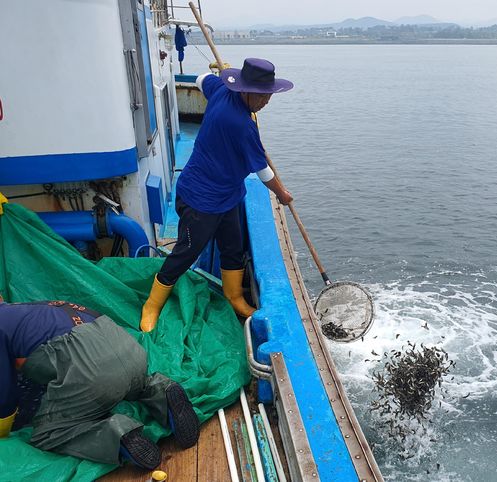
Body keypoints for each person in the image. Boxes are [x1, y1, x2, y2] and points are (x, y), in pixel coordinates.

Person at [141, 58, 294, 332]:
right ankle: (152, 304)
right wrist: (283, 194)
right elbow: (262, 172)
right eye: (263, 97)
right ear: (246, 91)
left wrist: (223, 73)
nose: (267, 102)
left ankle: (234, 296)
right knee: (186, 252)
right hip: (200, 197)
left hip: (229, 193)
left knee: (232, 246)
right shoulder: (240, 124)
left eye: (269, 95)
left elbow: (201, 80)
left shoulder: (222, 89)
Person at [0, 296, 200, 470]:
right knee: (134, 384)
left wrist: (3, 432)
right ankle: (161, 390)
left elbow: (4, 393)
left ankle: (116, 434)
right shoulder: (29, 309)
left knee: (47, 433)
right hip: (130, 352)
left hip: (93, 369)